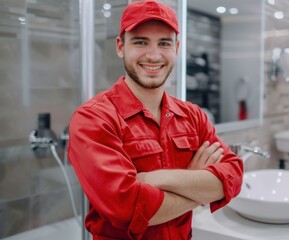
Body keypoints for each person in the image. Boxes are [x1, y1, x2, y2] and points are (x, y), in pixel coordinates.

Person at [67, 0, 243, 239]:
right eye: (141, 42)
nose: (153, 55)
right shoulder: (94, 119)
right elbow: (126, 208)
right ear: (120, 47)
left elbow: (233, 175)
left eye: (164, 43)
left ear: (177, 48)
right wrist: (198, 185)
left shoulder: (193, 116)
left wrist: (157, 178)